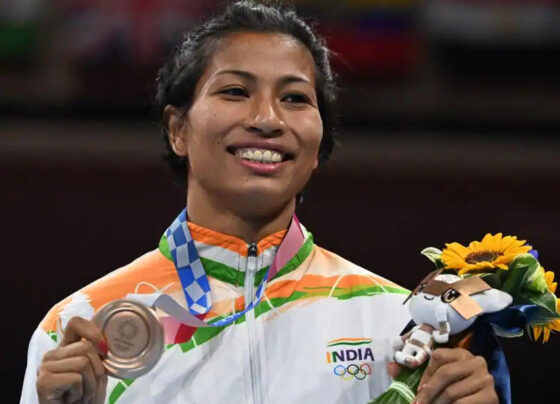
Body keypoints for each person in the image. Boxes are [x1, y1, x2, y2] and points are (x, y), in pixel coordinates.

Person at [20, 2, 498, 403]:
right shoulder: (80, 327)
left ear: (318, 144)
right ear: (178, 129)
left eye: (295, 98)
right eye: (235, 91)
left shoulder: (398, 324)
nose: (267, 119)